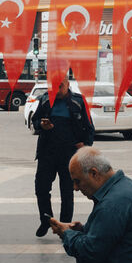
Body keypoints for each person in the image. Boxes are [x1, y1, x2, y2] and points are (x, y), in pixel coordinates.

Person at [30, 74, 94, 237]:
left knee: (67, 192)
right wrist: (42, 125)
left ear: (67, 84)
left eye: (60, 86)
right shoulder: (45, 100)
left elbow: (89, 128)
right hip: (47, 153)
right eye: (54, 86)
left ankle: (64, 226)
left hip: (69, 154)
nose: (57, 90)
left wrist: (85, 145)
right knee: (41, 188)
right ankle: (46, 220)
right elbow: (35, 121)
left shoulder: (78, 102)